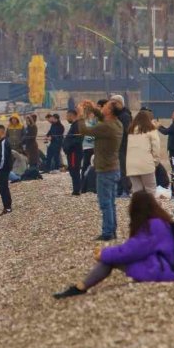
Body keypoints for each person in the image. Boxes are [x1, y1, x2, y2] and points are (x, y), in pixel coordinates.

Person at [53, 191, 174, 298]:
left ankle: (80, 287)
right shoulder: (160, 221)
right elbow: (136, 248)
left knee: (109, 260)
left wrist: (103, 254)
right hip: (164, 265)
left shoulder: (153, 225)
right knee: (111, 257)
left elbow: (131, 251)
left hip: (160, 270)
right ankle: (80, 286)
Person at [76, 99, 124, 241]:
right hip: (114, 168)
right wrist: (91, 108)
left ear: (109, 111)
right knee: (111, 201)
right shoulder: (117, 123)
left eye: (106, 106)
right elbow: (102, 116)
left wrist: (80, 114)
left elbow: (85, 131)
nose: (102, 107)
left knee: (105, 202)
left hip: (105, 169)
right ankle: (112, 229)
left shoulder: (107, 127)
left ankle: (108, 232)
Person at [126, 110, 161, 195]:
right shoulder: (151, 130)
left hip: (131, 165)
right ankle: (151, 208)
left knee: (137, 191)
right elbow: (156, 148)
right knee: (151, 190)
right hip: (146, 164)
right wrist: (155, 162)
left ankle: (138, 208)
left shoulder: (130, 131)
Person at [111, 95, 133, 198]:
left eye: (114, 103)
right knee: (118, 169)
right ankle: (119, 190)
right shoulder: (117, 115)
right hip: (117, 146)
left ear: (120, 103)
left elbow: (126, 132)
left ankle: (126, 190)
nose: (112, 106)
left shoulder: (125, 116)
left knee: (123, 169)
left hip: (123, 146)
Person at [0, 124, 14, 215]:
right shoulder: (4, 142)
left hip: (3, 170)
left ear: (0, 132)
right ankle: (7, 206)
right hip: (4, 169)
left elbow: (3, 158)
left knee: (3, 188)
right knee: (3, 188)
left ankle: (7, 207)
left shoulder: (3, 142)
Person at [63, 110, 84, 195]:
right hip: (72, 152)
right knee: (72, 170)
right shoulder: (74, 125)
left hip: (74, 153)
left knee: (74, 170)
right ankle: (77, 188)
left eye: (68, 116)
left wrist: (68, 146)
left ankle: (77, 190)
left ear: (72, 116)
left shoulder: (77, 125)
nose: (67, 118)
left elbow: (78, 139)